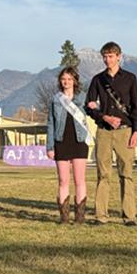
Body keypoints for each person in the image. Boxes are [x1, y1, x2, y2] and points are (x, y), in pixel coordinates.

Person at [85, 42, 137, 226]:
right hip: (104, 131)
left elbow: (135, 108)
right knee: (103, 174)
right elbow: (89, 106)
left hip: (125, 131)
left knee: (126, 174)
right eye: (105, 56)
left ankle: (129, 215)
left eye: (110, 56)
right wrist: (104, 117)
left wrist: (136, 130)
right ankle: (101, 215)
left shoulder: (130, 78)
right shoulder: (97, 80)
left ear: (119, 56)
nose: (107, 60)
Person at [46, 67, 91, 224]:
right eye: (64, 79)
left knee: (80, 180)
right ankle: (64, 217)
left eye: (70, 79)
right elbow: (51, 123)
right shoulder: (55, 100)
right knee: (63, 181)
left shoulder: (83, 98)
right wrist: (50, 146)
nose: (66, 82)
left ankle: (79, 217)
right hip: (61, 141)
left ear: (75, 81)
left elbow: (92, 113)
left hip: (79, 141)